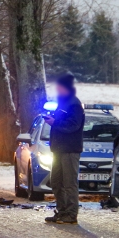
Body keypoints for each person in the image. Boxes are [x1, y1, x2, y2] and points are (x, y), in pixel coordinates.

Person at [42, 74, 85, 225]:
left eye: (59, 87)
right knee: (56, 182)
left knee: (69, 182)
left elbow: (73, 126)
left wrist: (54, 123)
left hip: (69, 149)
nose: (57, 89)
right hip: (58, 149)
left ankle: (71, 214)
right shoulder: (62, 103)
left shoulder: (74, 104)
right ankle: (62, 211)